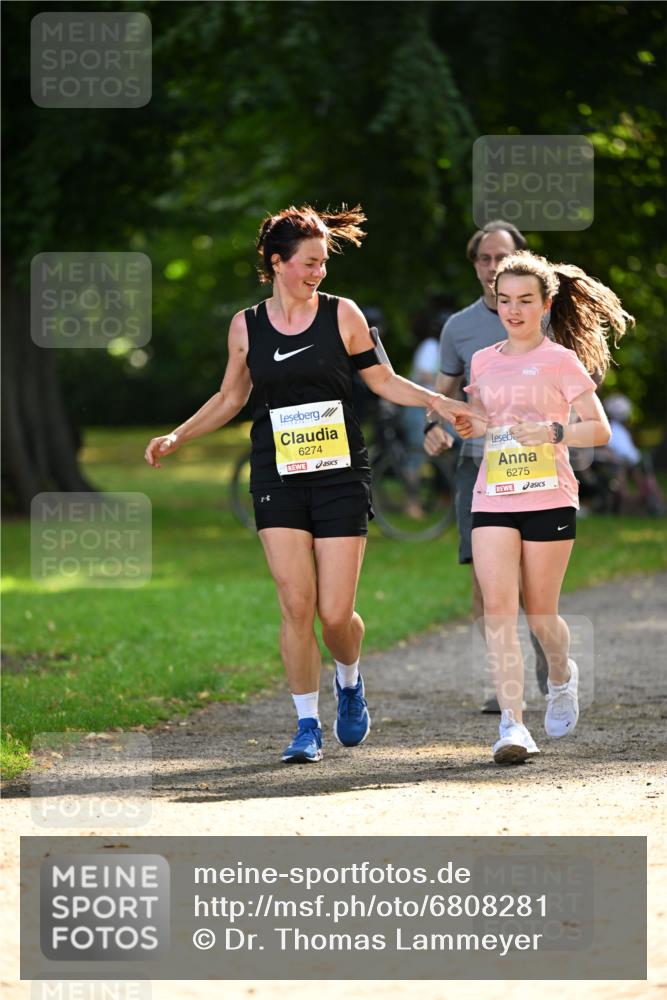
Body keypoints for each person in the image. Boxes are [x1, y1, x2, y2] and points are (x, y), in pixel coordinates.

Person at [144, 204, 471, 765]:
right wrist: (179, 435)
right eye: (310, 262)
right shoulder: (246, 326)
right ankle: (305, 725)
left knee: (335, 614)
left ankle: (349, 679)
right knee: (296, 605)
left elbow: (383, 380)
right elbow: (231, 396)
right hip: (278, 476)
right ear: (277, 263)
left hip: (341, 474)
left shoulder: (343, 315)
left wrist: (439, 402)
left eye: (323, 262)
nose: (319, 271)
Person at [453, 250, 634, 765]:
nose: (513, 310)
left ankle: (560, 675)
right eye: (505, 300)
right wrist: (468, 423)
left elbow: (599, 429)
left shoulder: (560, 360)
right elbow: (484, 419)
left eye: (525, 301)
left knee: (540, 613)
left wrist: (553, 431)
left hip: (549, 496)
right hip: (493, 496)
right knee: (498, 610)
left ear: (545, 304)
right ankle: (512, 725)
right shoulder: (483, 360)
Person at [423, 220, 550, 710]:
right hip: (478, 468)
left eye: (502, 257)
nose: (493, 266)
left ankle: (551, 664)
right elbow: (442, 395)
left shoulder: (547, 317)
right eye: (484, 258)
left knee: (534, 580)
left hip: (537, 467)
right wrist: (434, 426)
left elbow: (577, 382)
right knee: (485, 578)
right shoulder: (458, 328)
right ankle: (505, 684)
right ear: (475, 265)